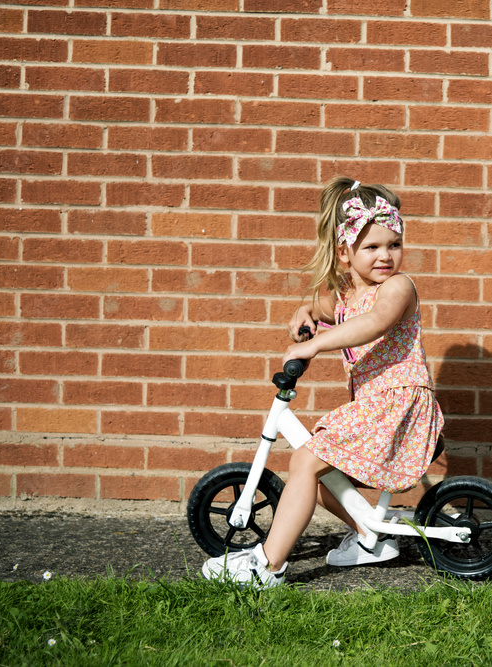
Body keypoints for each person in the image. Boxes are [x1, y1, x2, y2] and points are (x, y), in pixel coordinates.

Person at [201, 176, 444, 588]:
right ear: (344, 253)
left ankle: (267, 565)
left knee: (304, 461)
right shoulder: (347, 294)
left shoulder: (398, 289)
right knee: (315, 473)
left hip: (398, 405)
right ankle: (370, 537)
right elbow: (323, 306)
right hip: (376, 406)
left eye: (394, 244)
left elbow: (375, 322)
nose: (385, 256)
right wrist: (303, 312)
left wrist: (316, 346)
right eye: (371, 247)